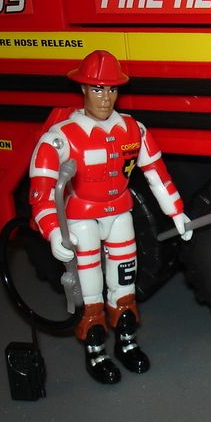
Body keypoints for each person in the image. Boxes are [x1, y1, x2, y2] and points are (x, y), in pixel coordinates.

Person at [28, 50, 193, 384]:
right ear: (83, 89)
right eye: (97, 89)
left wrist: (177, 212)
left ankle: (127, 343)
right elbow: (41, 191)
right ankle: (96, 352)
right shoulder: (60, 137)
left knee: (124, 282)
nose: (105, 97)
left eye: (112, 89)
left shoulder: (134, 130)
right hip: (81, 219)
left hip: (119, 214)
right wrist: (53, 230)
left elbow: (156, 174)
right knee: (89, 288)